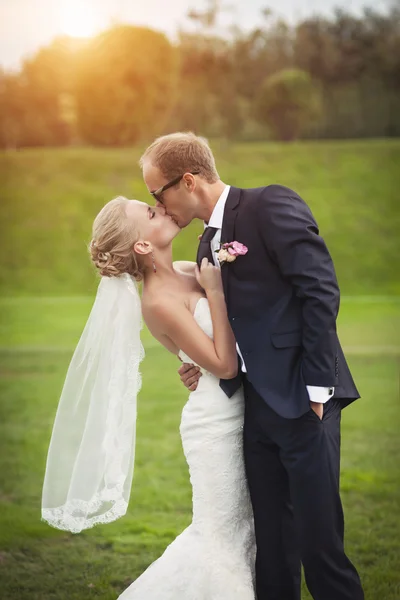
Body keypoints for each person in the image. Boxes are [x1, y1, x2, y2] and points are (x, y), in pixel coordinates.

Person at [139, 131, 365, 600]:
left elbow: (320, 292)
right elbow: (230, 323)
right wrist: (195, 363)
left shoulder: (269, 205)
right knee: (272, 549)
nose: (158, 206)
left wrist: (319, 389)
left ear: (188, 180)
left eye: (157, 194)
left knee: (320, 545)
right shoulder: (205, 246)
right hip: (251, 409)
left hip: (304, 400)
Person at [41, 195, 256, 599]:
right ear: (142, 245)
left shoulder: (188, 270)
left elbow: (207, 355)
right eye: (152, 213)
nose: (164, 210)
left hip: (244, 411)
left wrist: (195, 361)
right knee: (221, 540)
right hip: (216, 427)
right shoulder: (157, 302)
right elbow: (225, 366)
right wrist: (216, 295)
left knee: (250, 533)